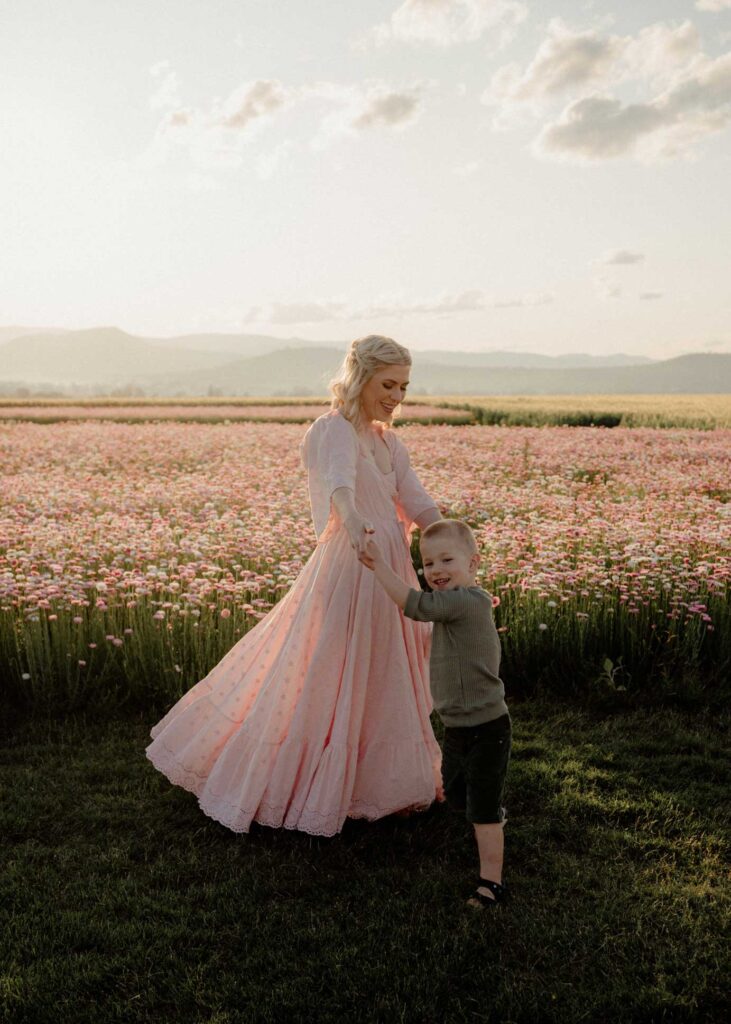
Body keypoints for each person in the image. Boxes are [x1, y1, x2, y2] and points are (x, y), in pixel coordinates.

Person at [145, 335, 444, 837]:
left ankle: (374, 783)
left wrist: (450, 535)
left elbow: (417, 500)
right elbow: (339, 485)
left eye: (404, 387)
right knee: (329, 670)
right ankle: (307, 781)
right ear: (360, 379)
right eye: (387, 384)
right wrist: (353, 524)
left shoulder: (389, 441)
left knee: (382, 674)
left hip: (389, 573)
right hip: (353, 565)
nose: (396, 397)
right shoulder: (335, 430)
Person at [364, 518, 511, 907]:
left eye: (447, 560)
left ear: (473, 564)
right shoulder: (456, 606)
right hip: (457, 726)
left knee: (481, 811)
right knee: (458, 793)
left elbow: (414, 605)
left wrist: (378, 564)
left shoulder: (464, 602)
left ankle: (491, 883)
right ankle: (489, 806)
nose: (437, 571)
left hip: (486, 728)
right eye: (429, 564)